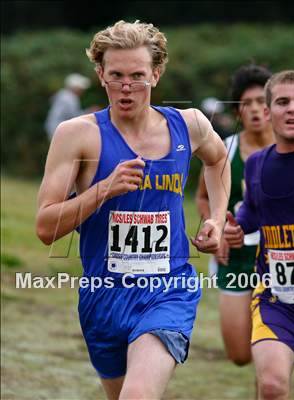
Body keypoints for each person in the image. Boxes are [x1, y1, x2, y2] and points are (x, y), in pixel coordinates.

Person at [36, 20, 230, 400]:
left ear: (156, 75)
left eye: (138, 75)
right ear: (100, 75)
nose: (127, 86)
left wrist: (216, 219)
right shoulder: (77, 134)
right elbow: (45, 227)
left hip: (167, 289)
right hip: (103, 294)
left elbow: (218, 160)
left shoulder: (189, 125)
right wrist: (102, 190)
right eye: (117, 75)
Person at [224, 70, 294, 400]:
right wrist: (235, 229)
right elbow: (251, 213)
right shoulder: (256, 164)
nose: (292, 109)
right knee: (271, 385)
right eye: (282, 102)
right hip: (275, 298)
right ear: (268, 112)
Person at [196, 65, 274, 366]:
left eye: (261, 102)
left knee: (271, 356)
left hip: (282, 258)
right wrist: (214, 226)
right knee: (241, 355)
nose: (255, 110)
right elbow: (203, 197)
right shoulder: (225, 150)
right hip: (237, 258)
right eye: (247, 103)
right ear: (238, 111)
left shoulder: (289, 149)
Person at [44, 73, 91, 139]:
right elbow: (74, 116)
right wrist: (90, 113)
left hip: (55, 128)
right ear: (75, 87)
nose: (82, 90)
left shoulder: (63, 95)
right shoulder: (70, 98)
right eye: (81, 88)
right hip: (59, 130)